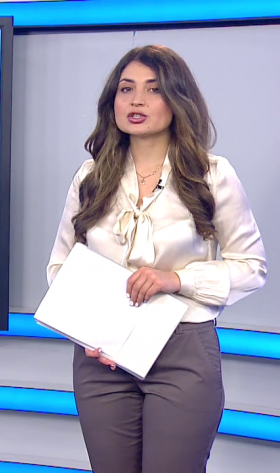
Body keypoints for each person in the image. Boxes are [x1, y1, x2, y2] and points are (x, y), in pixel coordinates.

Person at [46, 45, 268, 473]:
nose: (137, 101)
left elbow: (251, 267)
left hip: (181, 351)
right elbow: (60, 266)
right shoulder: (90, 178)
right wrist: (88, 328)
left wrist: (177, 280)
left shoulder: (212, 175)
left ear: (177, 99)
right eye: (126, 89)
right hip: (101, 358)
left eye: (153, 89)